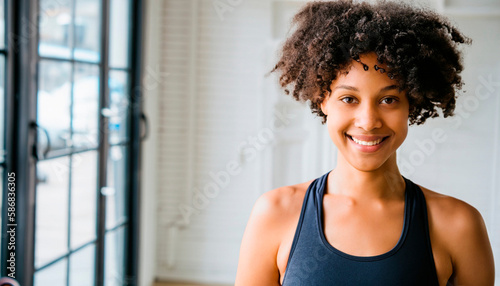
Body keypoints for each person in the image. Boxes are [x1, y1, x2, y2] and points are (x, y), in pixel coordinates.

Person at [235, 0, 495, 285]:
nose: (368, 121)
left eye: (389, 99)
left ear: (412, 103)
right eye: (349, 99)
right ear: (324, 100)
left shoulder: (459, 225)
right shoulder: (275, 213)